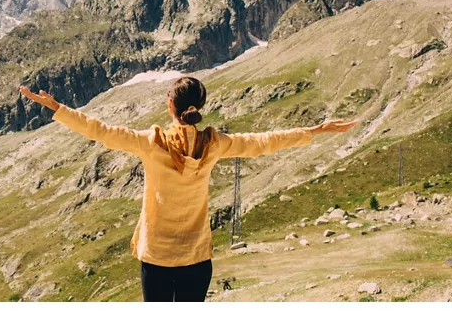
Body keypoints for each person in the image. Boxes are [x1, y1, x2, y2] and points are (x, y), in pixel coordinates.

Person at [19, 77, 357, 302]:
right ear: (198, 107)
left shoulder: (152, 143)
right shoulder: (216, 143)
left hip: (158, 257)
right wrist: (315, 129)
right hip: (197, 256)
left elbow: (100, 131)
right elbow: (264, 142)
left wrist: (57, 108)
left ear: (171, 107)